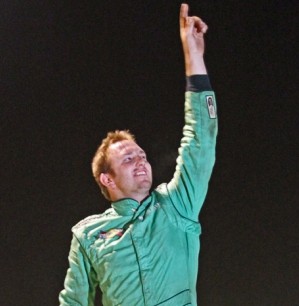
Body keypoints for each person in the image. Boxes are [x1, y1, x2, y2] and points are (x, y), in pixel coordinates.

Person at [59, 4, 217, 305]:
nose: (141, 161)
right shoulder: (88, 235)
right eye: (128, 159)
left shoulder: (176, 205)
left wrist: (193, 57)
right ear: (107, 178)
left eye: (142, 155)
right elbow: (73, 302)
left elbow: (201, 141)